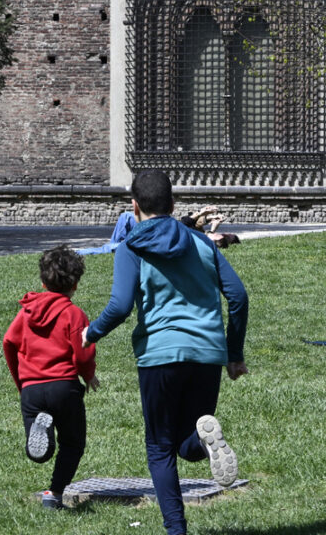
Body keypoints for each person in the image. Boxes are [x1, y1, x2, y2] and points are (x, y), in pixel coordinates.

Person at [82, 169, 249, 535]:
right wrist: (233, 354)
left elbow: (121, 306)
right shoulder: (202, 243)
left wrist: (90, 333)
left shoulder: (131, 247)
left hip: (159, 354)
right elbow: (237, 296)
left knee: (159, 447)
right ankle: (207, 442)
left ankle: (176, 530)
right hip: (207, 354)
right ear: (174, 205)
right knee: (187, 440)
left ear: (134, 206)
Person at [2, 245, 99, 510]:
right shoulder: (74, 314)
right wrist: (88, 375)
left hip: (32, 389)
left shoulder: (26, 312)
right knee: (73, 442)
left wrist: (22, 383)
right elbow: (81, 354)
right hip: (63, 386)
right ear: (76, 284)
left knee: (40, 452)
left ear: (43, 281)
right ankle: (54, 494)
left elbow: (9, 342)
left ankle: (41, 435)